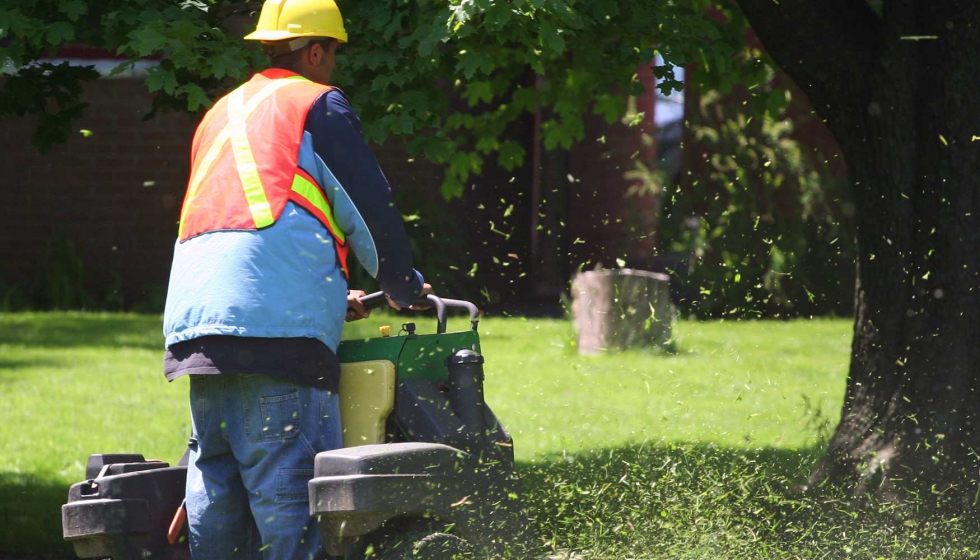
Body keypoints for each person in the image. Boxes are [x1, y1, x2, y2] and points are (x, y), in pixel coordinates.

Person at [161, 0, 431, 558]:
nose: (333, 66)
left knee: (219, 494)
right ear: (316, 50)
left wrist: (334, 294)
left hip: (198, 332)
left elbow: (258, 228)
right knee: (293, 511)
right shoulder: (317, 104)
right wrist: (401, 283)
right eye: (332, 53)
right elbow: (368, 207)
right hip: (276, 341)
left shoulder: (222, 112)